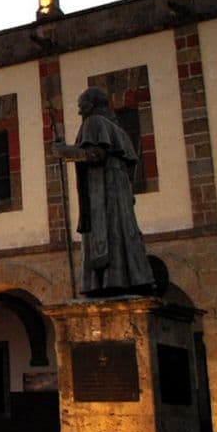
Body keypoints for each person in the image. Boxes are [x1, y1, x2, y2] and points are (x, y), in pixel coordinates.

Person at [53, 86, 156, 297]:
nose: (80, 112)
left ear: (92, 105)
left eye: (82, 107)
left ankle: (107, 282)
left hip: (104, 188)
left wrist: (64, 152)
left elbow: (95, 154)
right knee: (123, 232)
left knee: (107, 233)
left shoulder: (94, 123)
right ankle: (132, 278)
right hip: (119, 190)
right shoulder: (118, 130)